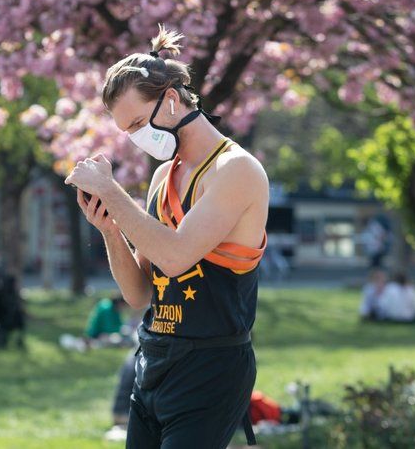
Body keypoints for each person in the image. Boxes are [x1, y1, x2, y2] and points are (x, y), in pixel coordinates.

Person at [65, 25, 268, 448]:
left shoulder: (236, 170)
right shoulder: (163, 176)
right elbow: (141, 295)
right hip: (154, 358)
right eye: (127, 131)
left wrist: (110, 190)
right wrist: (110, 228)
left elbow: (176, 258)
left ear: (171, 99)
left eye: (139, 122)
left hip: (211, 364)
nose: (137, 138)